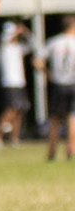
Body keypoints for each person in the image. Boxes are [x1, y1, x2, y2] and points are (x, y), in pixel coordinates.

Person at [0, 20, 36, 147]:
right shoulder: (3, 47)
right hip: (9, 82)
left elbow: (33, 46)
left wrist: (27, 33)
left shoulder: (18, 48)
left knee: (20, 110)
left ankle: (14, 138)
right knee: (10, 110)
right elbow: (6, 38)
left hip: (20, 82)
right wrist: (18, 31)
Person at [44, 15, 75, 161]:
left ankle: (51, 152)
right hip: (73, 83)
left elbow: (37, 61)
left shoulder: (54, 41)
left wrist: (48, 74)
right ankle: (71, 150)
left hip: (58, 84)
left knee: (55, 119)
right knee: (72, 117)